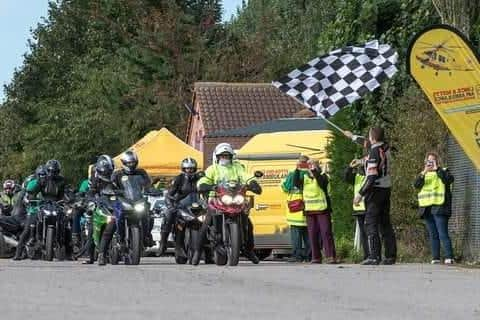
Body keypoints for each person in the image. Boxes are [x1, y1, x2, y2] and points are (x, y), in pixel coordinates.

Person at [197, 142, 262, 265]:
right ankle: (197, 251)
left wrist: (252, 182)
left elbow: (246, 176)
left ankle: (248, 250)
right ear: (217, 157)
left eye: (227, 156)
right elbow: (204, 179)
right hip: (216, 200)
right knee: (205, 224)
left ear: (232, 157)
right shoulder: (213, 168)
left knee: (248, 224)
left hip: (235, 201)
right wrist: (204, 185)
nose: (225, 158)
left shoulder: (237, 167)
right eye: (222, 156)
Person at [354, 127, 397, 265]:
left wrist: (360, 194)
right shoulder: (386, 148)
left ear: (372, 137)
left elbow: (372, 176)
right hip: (386, 188)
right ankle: (390, 255)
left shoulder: (374, 151)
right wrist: (353, 137)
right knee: (385, 223)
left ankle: (374, 255)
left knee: (370, 222)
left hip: (375, 190)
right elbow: (369, 146)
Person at [14, 161, 67, 260]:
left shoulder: (62, 181)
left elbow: (65, 193)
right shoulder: (42, 180)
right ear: (47, 171)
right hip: (42, 204)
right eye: (50, 171)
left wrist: (70, 198)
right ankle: (18, 253)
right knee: (27, 228)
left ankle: (70, 251)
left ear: (58, 171)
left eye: (55, 172)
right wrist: (30, 197)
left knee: (66, 224)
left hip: (56, 205)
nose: (52, 174)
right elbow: (32, 191)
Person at [293, 156, 336, 264]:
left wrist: (314, 171)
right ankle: (316, 257)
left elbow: (322, 183)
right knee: (312, 234)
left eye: (313, 164)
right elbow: (296, 183)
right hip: (309, 210)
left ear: (317, 165)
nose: (310, 166)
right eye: (309, 164)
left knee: (326, 232)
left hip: (322, 209)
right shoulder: (305, 177)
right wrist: (297, 170)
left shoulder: (322, 175)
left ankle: (330, 256)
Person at [414, 152, 454, 265]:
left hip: (440, 207)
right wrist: (424, 172)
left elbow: (449, 180)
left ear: (437, 161)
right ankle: (435, 257)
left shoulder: (444, 171)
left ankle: (449, 256)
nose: (430, 163)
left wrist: (437, 169)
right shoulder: (423, 174)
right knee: (433, 234)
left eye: (433, 161)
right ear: (425, 162)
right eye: (428, 161)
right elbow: (416, 184)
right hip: (427, 208)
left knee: (442, 233)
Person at [159, 157, 202, 256]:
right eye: (187, 168)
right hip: (181, 206)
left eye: (191, 168)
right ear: (183, 169)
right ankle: (163, 242)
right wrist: (171, 205)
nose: (189, 170)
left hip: (197, 207)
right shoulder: (179, 179)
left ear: (195, 169)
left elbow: (205, 189)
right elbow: (170, 194)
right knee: (168, 215)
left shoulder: (200, 178)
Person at [112, 150, 152, 249]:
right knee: (118, 216)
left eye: (133, 162)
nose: (131, 165)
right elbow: (111, 185)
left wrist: (151, 189)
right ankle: (120, 238)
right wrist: (112, 191)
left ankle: (147, 236)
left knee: (149, 215)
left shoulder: (141, 173)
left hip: (138, 200)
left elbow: (148, 184)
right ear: (124, 163)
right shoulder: (117, 174)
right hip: (123, 201)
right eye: (129, 163)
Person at [83, 155, 118, 265]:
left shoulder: (116, 178)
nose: (107, 172)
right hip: (101, 206)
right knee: (92, 227)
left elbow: (124, 189)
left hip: (115, 206)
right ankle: (92, 255)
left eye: (109, 170)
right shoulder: (96, 179)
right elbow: (91, 192)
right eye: (105, 170)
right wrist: (92, 199)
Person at [281, 157, 310, 262]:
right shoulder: (311, 174)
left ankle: (297, 256)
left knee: (296, 236)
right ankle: (309, 256)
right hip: (308, 208)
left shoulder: (292, 174)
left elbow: (284, 188)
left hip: (295, 210)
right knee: (308, 236)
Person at [344, 157, 369, 261]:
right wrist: (350, 167)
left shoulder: (370, 176)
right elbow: (346, 178)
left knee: (371, 232)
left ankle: (373, 254)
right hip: (359, 209)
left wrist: (364, 163)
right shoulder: (357, 177)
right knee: (363, 234)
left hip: (369, 208)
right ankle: (367, 255)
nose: (361, 167)